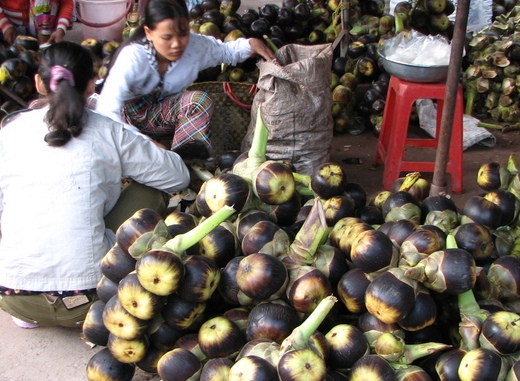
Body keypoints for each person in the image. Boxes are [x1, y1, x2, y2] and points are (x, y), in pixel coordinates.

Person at [0, 41, 190, 328]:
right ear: (92, 84)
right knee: (152, 188)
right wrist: (147, 144)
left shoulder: (10, 131)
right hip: (93, 302)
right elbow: (177, 177)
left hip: (13, 296)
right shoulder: (109, 130)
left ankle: (30, 310)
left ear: (39, 83)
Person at [95, 0, 276, 160]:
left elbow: (225, 51)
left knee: (198, 101)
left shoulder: (194, 46)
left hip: (157, 112)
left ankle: (185, 161)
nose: (176, 44)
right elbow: (107, 112)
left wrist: (250, 44)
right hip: (125, 118)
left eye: (182, 33)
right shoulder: (133, 57)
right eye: (167, 37)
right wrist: (146, 144)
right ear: (149, 33)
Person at [0, 0, 74, 45]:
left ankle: (45, 40)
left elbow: (66, 2)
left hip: (42, 26)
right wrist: (5, 26)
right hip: (8, 22)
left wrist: (61, 28)